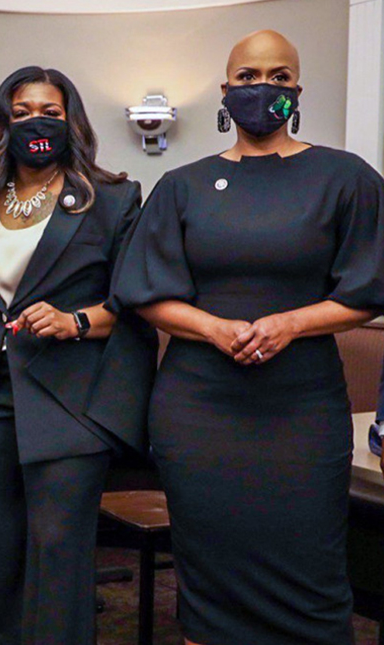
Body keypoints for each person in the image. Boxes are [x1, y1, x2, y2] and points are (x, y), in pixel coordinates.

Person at [114, 30, 384, 645]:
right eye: (248, 77)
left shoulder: (346, 177)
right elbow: (144, 291)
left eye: (279, 77)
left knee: (312, 566)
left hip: (301, 409)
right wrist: (212, 328)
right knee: (210, 575)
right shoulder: (181, 186)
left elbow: (368, 289)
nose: (263, 88)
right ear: (225, 90)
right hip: (199, 411)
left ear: (297, 90)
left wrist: (292, 322)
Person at [0, 67, 156, 645]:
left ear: (71, 121)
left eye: (50, 111)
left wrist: (74, 322)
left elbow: (136, 302)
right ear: (4, 123)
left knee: (58, 554)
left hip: (72, 403)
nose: (36, 121)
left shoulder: (112, 199)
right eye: (22, 112)